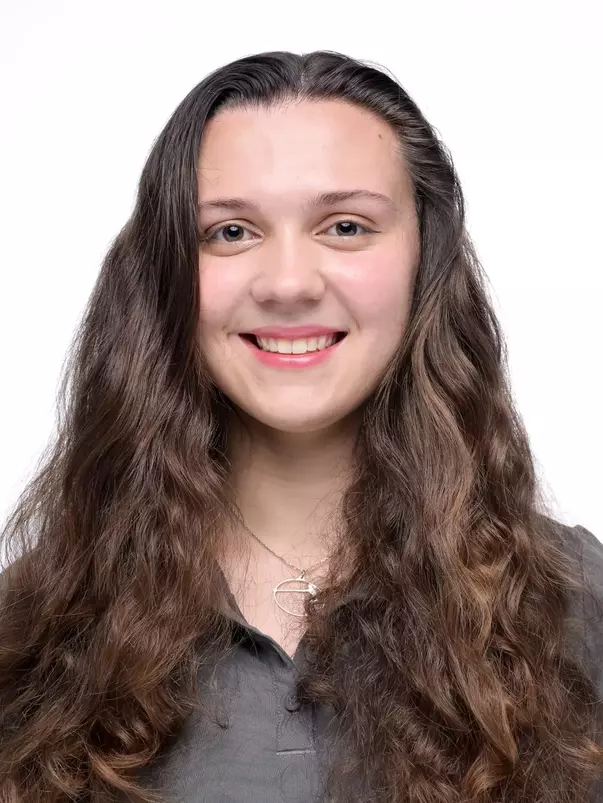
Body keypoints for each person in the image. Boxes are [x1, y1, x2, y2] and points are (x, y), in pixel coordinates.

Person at [0, 49, 601, 803]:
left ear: (424, 257)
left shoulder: (573, 602)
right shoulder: (33, 625)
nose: (287, 283)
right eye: (230, 232)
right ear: (167, 273)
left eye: (345, 226)